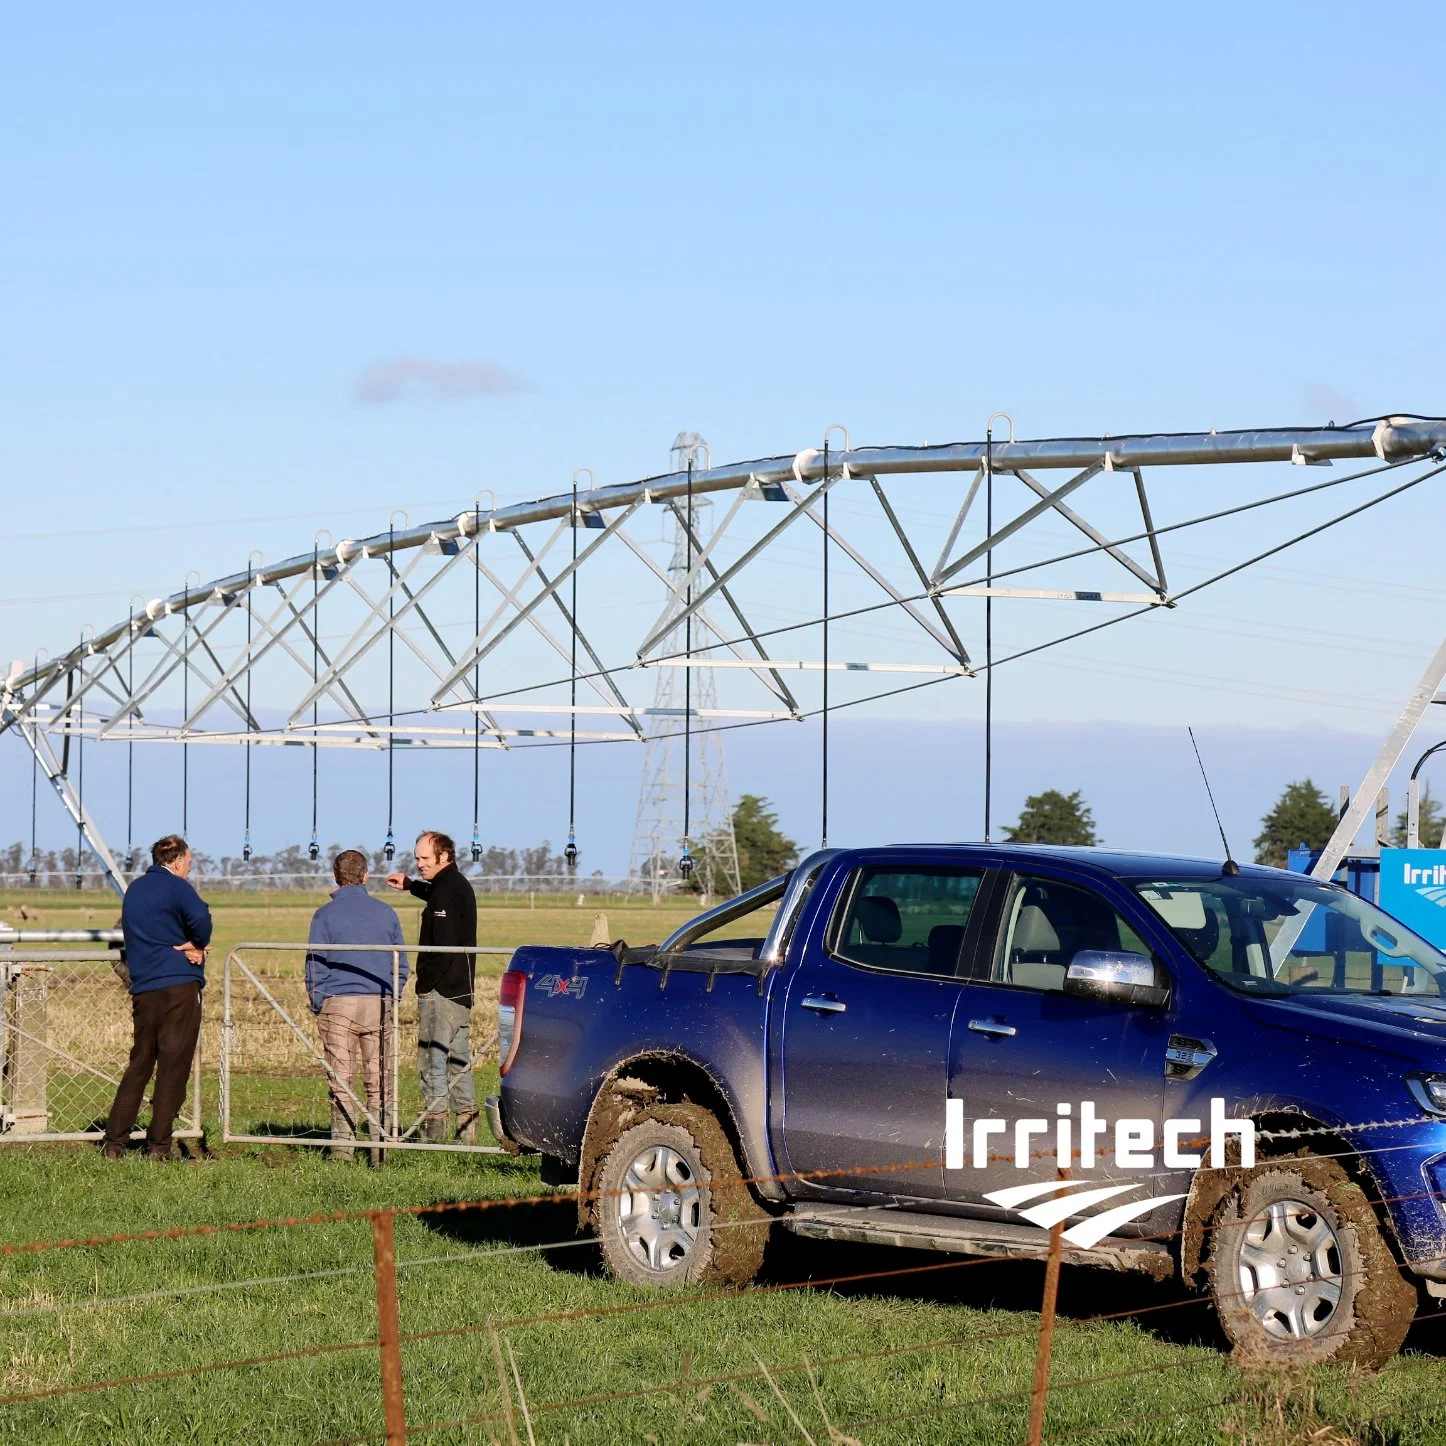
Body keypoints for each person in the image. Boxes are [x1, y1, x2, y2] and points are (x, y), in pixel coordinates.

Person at [103, 834, 211, 1161]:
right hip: (178, 985)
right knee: (173, 1066)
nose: (190, 868)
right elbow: (202, 921)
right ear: (176, 861)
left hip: (144, 987)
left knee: (140, 1063)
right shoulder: (178, 887)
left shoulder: (135, 889)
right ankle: (159, 1146)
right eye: (189, 863)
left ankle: (114, 1142)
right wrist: (195, 944)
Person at [306, 849, 409, 1162]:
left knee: (341, 1076)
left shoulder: (324, 915)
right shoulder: (386, 912)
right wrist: (392, 995)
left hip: (338, 1003)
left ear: (336, 878)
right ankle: (381, 1146)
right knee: (379, 1075)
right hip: (378, 1001)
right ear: (365, 876)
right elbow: (401, 963)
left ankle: (342, 1148)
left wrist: (317, 999)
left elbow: (315, 963)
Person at [386, 830, 478, 1142]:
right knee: (457, 1060)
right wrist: (411, 886)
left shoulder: (447, 891)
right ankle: (468, 1137)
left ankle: (433, 1135)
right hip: (460, 990)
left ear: (444, 856)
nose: (419, 864)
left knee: (431, 1059)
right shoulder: (452, 885)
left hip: (442, 992)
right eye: (416, 859)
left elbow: (444, 946)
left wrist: (425, 985)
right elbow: (436, 894)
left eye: (425, 859)